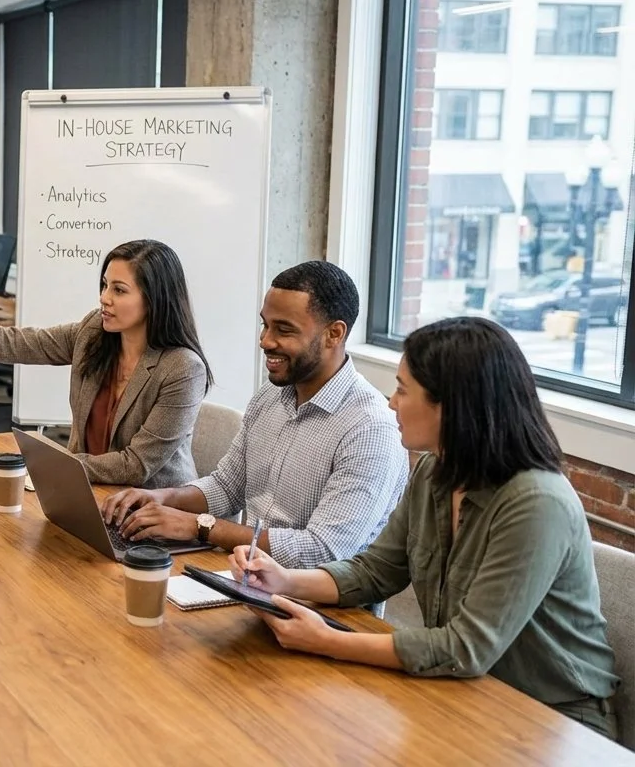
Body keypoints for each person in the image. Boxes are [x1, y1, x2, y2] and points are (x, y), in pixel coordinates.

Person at [229, 317, 619, 739]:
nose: (391, 403)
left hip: (552, 721)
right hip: (464, 690)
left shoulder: (536, 502)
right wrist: (285, 580)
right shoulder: (435, 469)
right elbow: (376, 570)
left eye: (401, 389)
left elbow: (466, 648)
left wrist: (328, 641)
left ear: (450, 405)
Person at [102, 260, 408, 566]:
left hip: (312, 602)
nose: (265, 341)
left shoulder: (371, 429)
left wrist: (198, 526)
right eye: (266, 324)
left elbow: (322, 550)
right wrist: (164, 499)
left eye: (283, 330)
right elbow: (226, 486)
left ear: (334, 334)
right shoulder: (271, 394)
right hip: (247, 574)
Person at [0, 239, 210, 489]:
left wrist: (51, 464)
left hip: (153, 511)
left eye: (119, 290)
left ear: (154, 299)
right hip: (89, 494)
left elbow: (136, 466)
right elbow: (18, 343)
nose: (104, 298)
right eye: (104, 285)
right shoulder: (94, 333)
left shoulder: (182, 369)